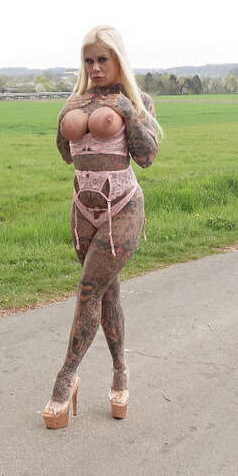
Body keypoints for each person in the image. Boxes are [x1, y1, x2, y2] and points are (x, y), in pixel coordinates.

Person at [42, 25, 162, 429]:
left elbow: (147, 157)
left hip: (123, 209)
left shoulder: (136, 100)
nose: (95, 67)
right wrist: (65, 118)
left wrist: (127, 112)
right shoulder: (75, 100)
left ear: (118, 60)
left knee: (88, 290)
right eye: (88, 60)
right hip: (82, 210)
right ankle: (120, 372)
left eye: (102, 59)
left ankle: (65, 379)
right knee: (107, 293)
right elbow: (66, 153)